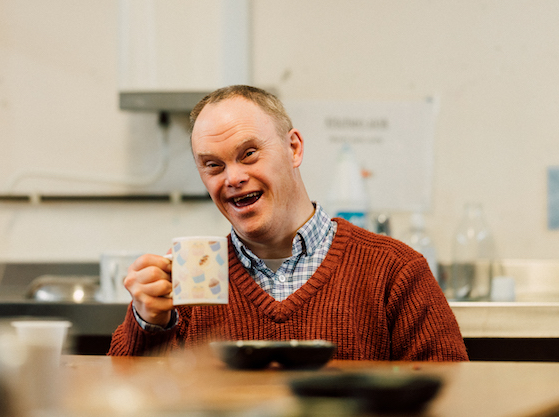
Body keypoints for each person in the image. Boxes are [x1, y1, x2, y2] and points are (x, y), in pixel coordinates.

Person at [108, 85, 468, 361]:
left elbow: (451, 397)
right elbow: (127, 401)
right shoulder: (187, 285)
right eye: (213, 165)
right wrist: (149, 324)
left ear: (294, 148)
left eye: (248, 154)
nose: (232, 177)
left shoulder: (394, 271)